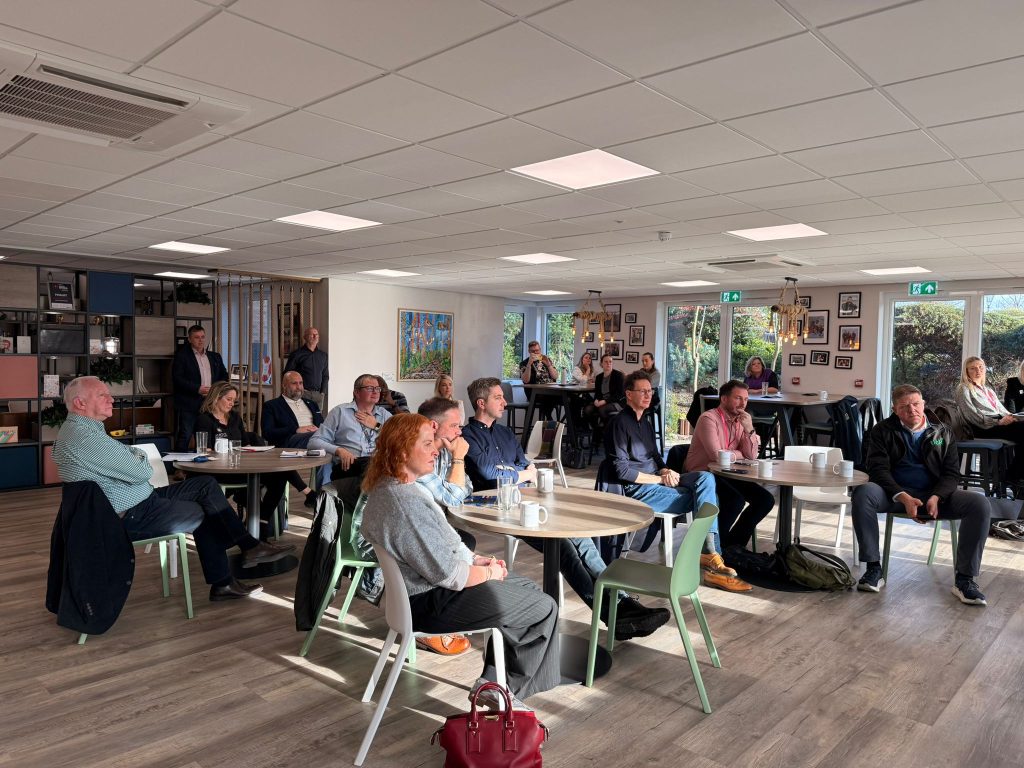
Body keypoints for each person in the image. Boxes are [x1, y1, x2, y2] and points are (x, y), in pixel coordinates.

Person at [360, 413, 560, 709]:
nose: (436, 449)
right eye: (427, 444)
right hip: (430, 601)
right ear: (402, 452)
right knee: (545, 608)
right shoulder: (403, 502)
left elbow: (446, 545)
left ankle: (495, 679)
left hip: (424, 592)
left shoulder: (396, 488)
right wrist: (488, 573)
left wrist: (477, 559)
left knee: (528, 589)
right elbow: (453, 577)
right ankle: (504, 688)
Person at [461, 378, 670, 639]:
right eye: (497, 398)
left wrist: (518, 473)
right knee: (565, 549)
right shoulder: (467, 436)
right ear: (481, 403)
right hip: (497, 510)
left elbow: (526, 467)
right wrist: (521, 473)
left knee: (581, 538)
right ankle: (615, 614)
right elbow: (489, 473)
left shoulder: (504, 434)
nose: (504, 402)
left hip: (527, 501)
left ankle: (623, 605)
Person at [52, 376, 292, 600]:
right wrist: (137, 457)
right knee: (206, 510)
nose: (112, 399)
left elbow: (132, 460)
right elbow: (143, 471)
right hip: (132, 514)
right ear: (80, 403)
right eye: (103, 395)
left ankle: (248, 548)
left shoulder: (84, 431)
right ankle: (226, 577)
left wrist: (134, 456)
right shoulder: (85, 438)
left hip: (139, 499)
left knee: (205, 486)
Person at [605, 370, 752, 592]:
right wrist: (659, 478)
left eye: (650, 391)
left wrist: (665, 470)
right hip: (638, 490)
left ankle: (708, 554)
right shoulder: (619, 423)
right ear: (628, 394)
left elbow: (655, 456)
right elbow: (622, 471)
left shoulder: (643, 422)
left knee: (705, 478)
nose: (648, 395)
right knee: (708, 502)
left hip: (656, 482)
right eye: (643, 391)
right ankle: (713, 558)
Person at [852, 384, 991, 604]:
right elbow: (878, 470)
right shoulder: (881, 431)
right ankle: (873, 570)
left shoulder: (942, 432)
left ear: (924, 404)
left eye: (916, 404)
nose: (912, 410)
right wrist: (903, 496)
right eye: (904, 406)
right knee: (863, 493)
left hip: (935, 497)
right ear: (895, 409)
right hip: (894, 496)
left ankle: (965, 580)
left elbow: (952, 474)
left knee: (979, 504)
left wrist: (937, 497)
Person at [194, 382, 293, 539]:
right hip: (219, 471)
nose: (231, 403)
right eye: (228, 399)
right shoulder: (204, 420)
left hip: (241, 466)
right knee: (266, 481)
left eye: (234, 400)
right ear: (216, 398)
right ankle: (259, 535)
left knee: (280, 476)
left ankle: (262, 522)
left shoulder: (235, 418)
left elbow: (245, 443)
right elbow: (204, 450)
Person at [685, 380, 774, 551]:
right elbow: (717, 456)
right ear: (724, 399)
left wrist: (749, 429)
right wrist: (738, 453)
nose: (743, 404)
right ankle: (717, 549)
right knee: (735, 500)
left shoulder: (741, 421)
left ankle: (731, 545)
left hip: (729, 473)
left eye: (746, 400)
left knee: (766, 500)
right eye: (738, 398)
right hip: (704, 474)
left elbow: (751, 455)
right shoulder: (708, 419)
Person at [309, 374, 392, 483]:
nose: (375, 392)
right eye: (370, 388)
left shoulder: (384, 415)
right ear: (357, 392)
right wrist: (339, 450)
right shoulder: (340, 412)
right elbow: (314, 442)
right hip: (350, 467)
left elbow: (399, 440)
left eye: (377, 388)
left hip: (377, 465)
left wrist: (377, 426)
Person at [954, 356, 1024, 486]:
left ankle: (1015, 475)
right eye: (973, 368)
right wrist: (997, 422)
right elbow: (971, 415)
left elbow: (1002, 410)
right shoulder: (963, 388)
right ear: (966, 371)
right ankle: (1013, 475)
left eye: (981, 367)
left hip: (998, 423)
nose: (978, 370)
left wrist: (1013, 417)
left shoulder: (988, 390)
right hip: (981, 427)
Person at [262, 371, 323, 507]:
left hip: (315, 440)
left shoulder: (311, 404)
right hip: (288, 442)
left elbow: (322, 425)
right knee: (327, 444)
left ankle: (322, 496)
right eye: (294, 383)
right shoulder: (272, 406)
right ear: (284, 386)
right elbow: (267, 432)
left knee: (330, 449)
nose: (299, 387)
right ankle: (319, 497)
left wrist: (321, 431)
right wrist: (295, 429)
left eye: (301, 383)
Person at [171, 325, 227, 452]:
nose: (200, 340)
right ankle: (180, 469)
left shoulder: (215, 356)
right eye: (196, 337)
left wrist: (216, 390)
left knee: (205, 435)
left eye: (202, 337)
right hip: (189, 402)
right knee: (185, 434)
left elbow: (224, 376)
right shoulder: (182, 356)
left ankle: (203, 464)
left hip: (210, 403)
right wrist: (197, 389)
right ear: (190, 339)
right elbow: (177, 379)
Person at [283, 327, 328, 409]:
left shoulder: (323, 356)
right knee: (301, 418)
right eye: (312, 335)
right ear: (305, 337)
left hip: (318, 395)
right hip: (302, 394)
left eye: (316, 334)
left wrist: (323, 392)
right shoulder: (296, 354)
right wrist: (297, 390)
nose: (315, 336)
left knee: (317, 420)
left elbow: (325, 375)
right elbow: (287, 374)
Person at [584, 353, 624, 436]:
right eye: (606, 362)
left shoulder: (618, 375)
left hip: (616, 402)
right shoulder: (599, 377)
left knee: (602, 409)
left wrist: (605, 401)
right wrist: (596, 400)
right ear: (601, 364)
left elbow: (619, 394)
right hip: (602, 401)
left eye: (610, 362)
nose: (608, 363)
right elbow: (598, 393)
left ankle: (604, 432)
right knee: (587, 410)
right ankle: (597, 429)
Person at [520, 339, 559, 419]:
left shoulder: (546, 360)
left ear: (540, 350)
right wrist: (529, 365)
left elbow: (555, 377)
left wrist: (549, 365)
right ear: (529, 351)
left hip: (550, 390)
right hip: (534, 393)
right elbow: (526, 380)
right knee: (548, 397)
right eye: (533, 351)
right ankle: (549, 419)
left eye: (537, 350)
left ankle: (571, 428)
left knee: (567, 398)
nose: (535, 353)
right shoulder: (524, 363)